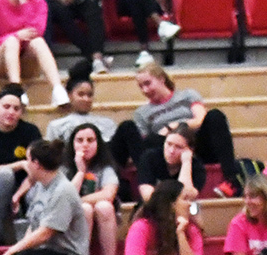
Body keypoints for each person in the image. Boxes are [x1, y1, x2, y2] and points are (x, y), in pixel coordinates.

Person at [0, 139, 90, 255]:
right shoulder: (40, 187)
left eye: (28, 159)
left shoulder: (63, 190)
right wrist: (13, 252)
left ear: (36, 164)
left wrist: (12, 250)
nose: (25, 164)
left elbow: (46, 232)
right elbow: (34, 225)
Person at [114, 63, 241, 197]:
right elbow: (145, 145)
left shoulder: (187, 96)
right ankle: (144, 184)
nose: (145, 90)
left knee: (215, 115)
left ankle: (232, 180)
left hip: (196, 146)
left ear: (161, 79)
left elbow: (200, 119)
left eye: (148, 83)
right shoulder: (142, 113)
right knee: (129, 127)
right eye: (141, 86)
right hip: (167, 152)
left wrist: (173, 126)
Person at [0, 88, 43, 244]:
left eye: (16, 108)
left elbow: (35, 171)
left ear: (21, 112)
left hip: (26, 185)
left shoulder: (30, 132)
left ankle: (35, 238)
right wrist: (20, 164)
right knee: (5, 175)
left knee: (40, 188)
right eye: (6, 107)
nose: (11, 112)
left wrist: (18, 194)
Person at [62, 123, 120, 255]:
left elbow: (109, 194)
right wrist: (81, 171)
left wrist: (80, 200)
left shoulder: (105, 168)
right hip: (69, 219)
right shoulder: (64, 169)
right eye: (79, 140)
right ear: (72, 144)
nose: (85, 145)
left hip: (102, 215)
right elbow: (66, 199)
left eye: (90, 140)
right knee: (85, 209)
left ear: (98, 143)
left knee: (104, 206)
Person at [45, 60, 117, 142]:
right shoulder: (56, 126)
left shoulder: (107, 124)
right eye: (81, 94)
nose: (86, 99)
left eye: (89, 95)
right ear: (69, 95)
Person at [136, 122, 206, 202]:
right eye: (169, 144)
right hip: (152, 210)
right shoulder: (149, 157)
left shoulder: (196, 166)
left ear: (190, 150)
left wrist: (186, 162)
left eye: (178, 147)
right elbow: (147, 195)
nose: (171, 151)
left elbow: (186, 197)